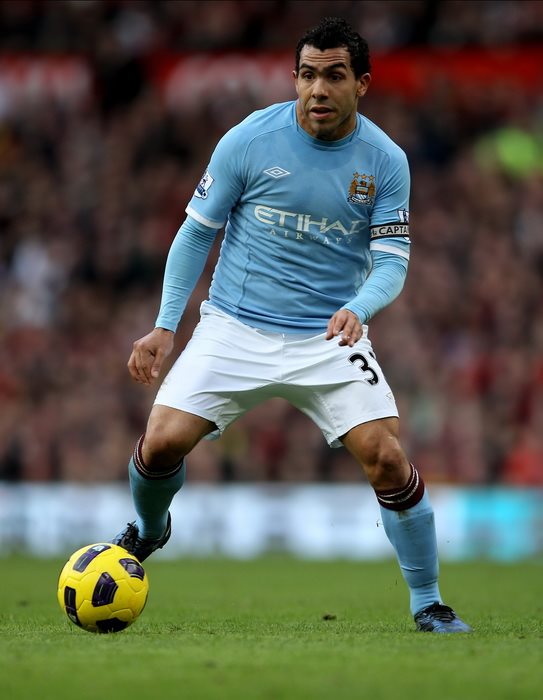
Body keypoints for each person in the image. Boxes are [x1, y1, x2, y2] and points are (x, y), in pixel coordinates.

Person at [113, 17, 472, 634]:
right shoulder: (250, 139)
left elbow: (392, 262)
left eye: (334, 76)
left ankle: (428, 602)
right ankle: (149, 530)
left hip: (327, 335)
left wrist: (360, 308)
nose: (318, 90)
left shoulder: (385, 161)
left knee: (386, 457)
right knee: (161, 443)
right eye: (308, 75)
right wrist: (165, 326)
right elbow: (197, 233)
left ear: (362, 83)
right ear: (294, 79)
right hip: (234, 326)